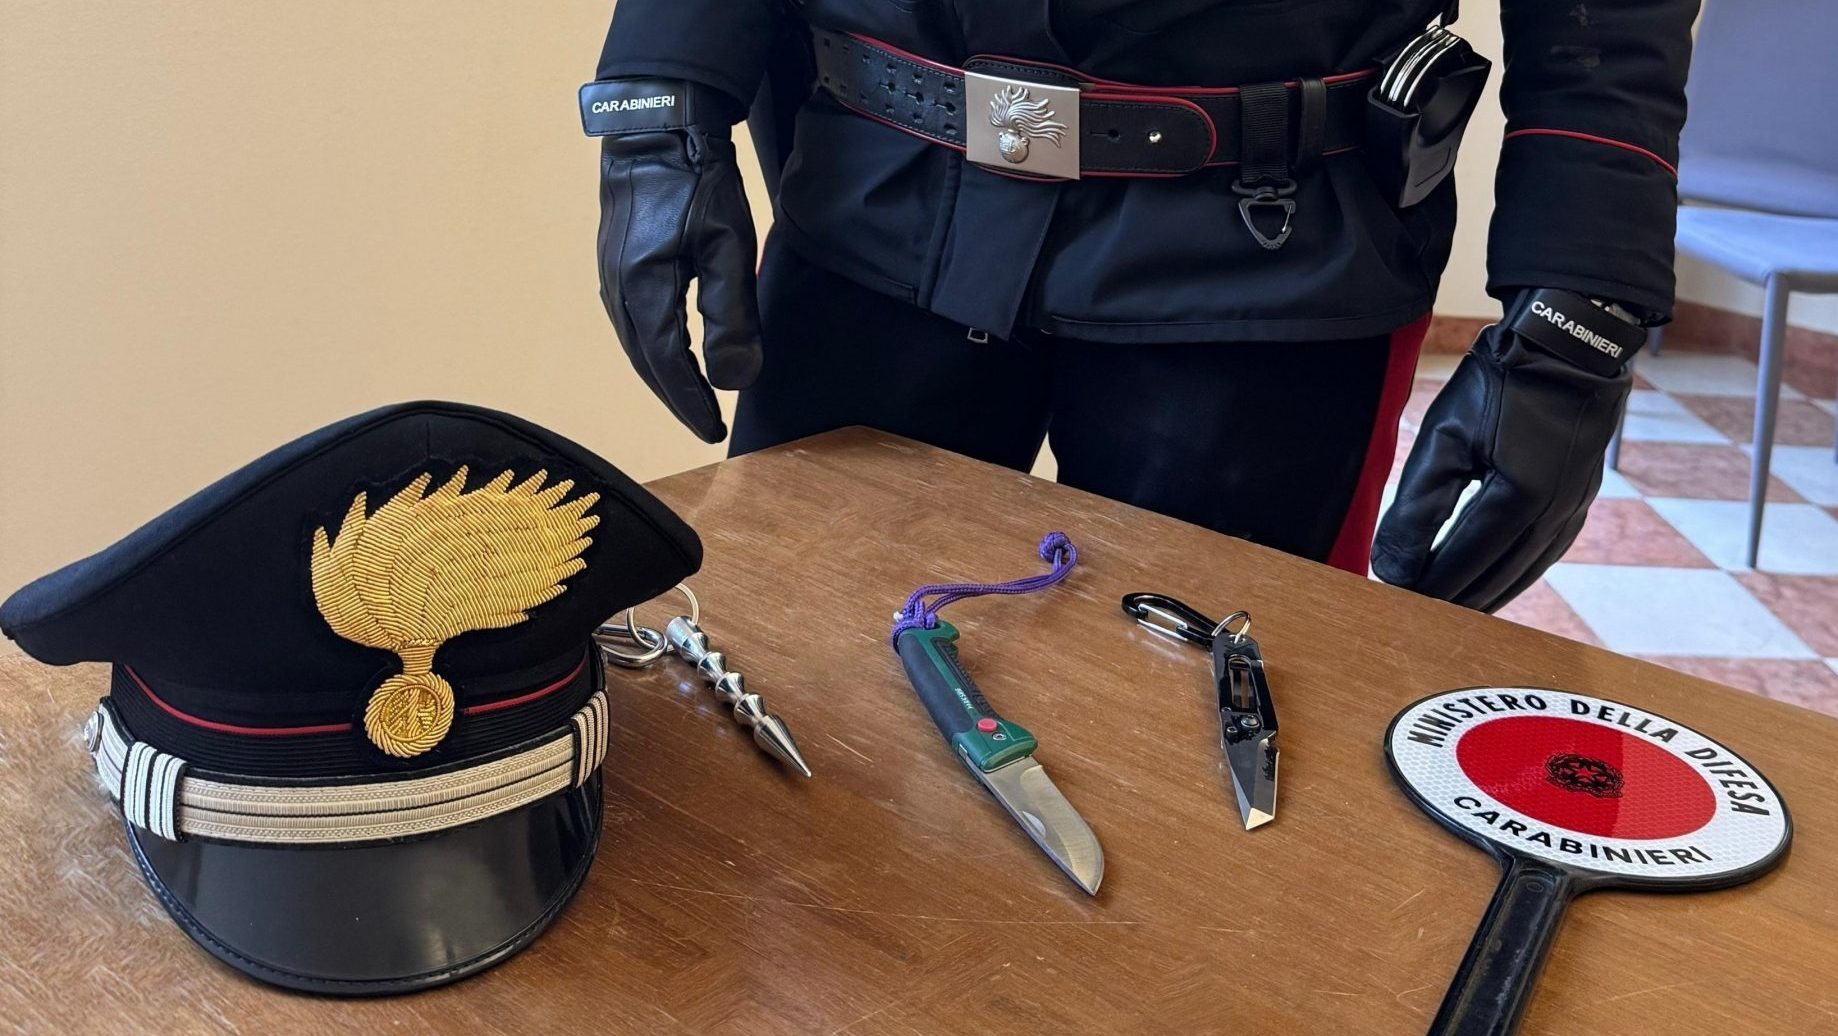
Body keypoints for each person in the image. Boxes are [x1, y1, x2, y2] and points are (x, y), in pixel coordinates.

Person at [580, 0, 1693, 612]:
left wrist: (1580, 303)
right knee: (797, 676)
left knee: (1216, 746)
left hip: (1271, 270)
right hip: (878, 206)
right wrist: (661, 86)